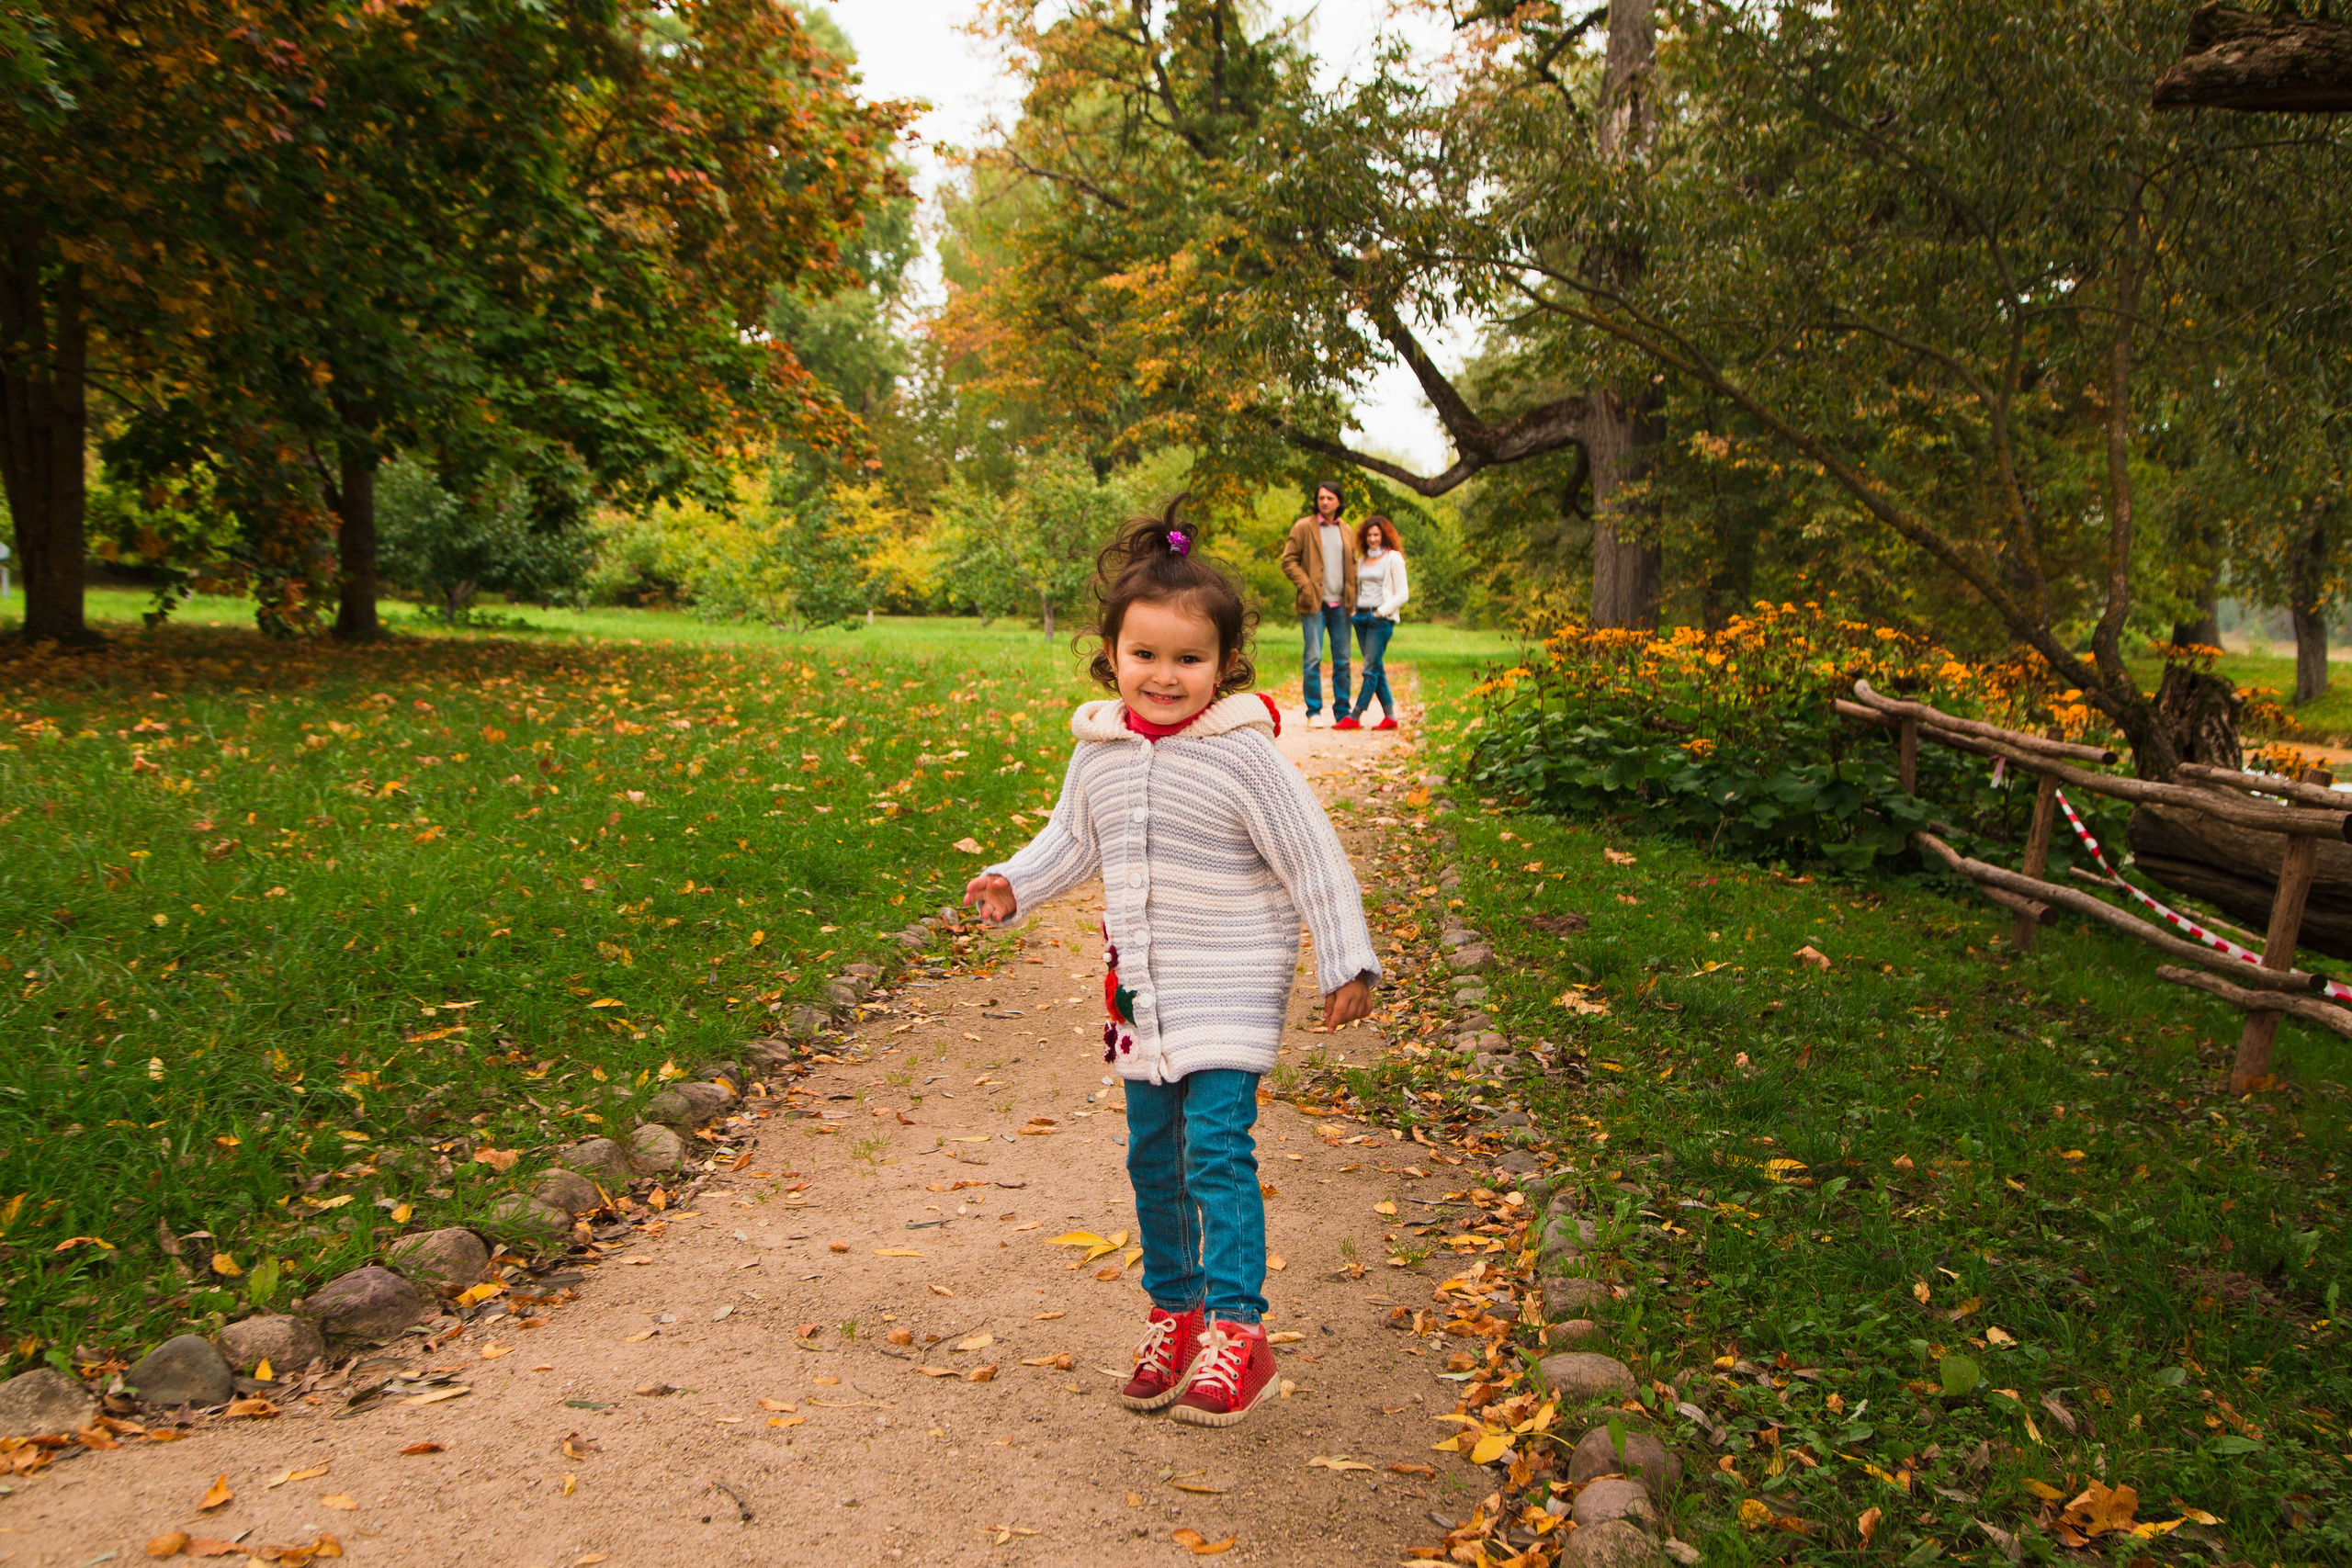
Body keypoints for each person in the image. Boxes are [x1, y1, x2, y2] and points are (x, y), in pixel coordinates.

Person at [964, 497, 1379, 1428]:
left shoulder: (1244, 758)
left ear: (1224, 665)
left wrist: (1344, 960)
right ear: (1110, 652)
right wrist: (1013, 883)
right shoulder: (1098, 754)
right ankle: (1176, 1314)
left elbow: (1315, 861)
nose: (1163, 675)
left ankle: (1241, 1331)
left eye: (1187, 659)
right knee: (1153, 1156)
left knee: (1216, 1152)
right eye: (1143, 655)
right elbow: (1071, 839)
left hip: (1230, 981)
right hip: (1140, 993)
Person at [1278, 481, 1357, 726]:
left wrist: (1354, 596)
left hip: (1341, 605)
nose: (1325, 502)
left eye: (1330, 498)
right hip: (1314, 603)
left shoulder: (1347, 530)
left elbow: (1353, 565)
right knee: (1313, 658)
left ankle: (1342, 712)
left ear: (1339, 502)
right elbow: (1288, 560)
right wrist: (1306, 585)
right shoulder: (1304, 527)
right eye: (1321, 498)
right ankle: (1314, 712)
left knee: (1342, 660)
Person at [1342, 514, 1409, 731]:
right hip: (1360, 618)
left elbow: (1403, 594)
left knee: (1370, 670)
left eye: (1377, 535)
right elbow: (1358, 588)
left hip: (1380, 620)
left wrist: (1380, 613)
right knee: (1376, 667)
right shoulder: (1362, 560)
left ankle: (1355, 716)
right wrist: (1354, 611)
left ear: (1384, 536)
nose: (1373, 539)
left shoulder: (1394, 558)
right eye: (1369, 535)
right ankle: (1390, 717)